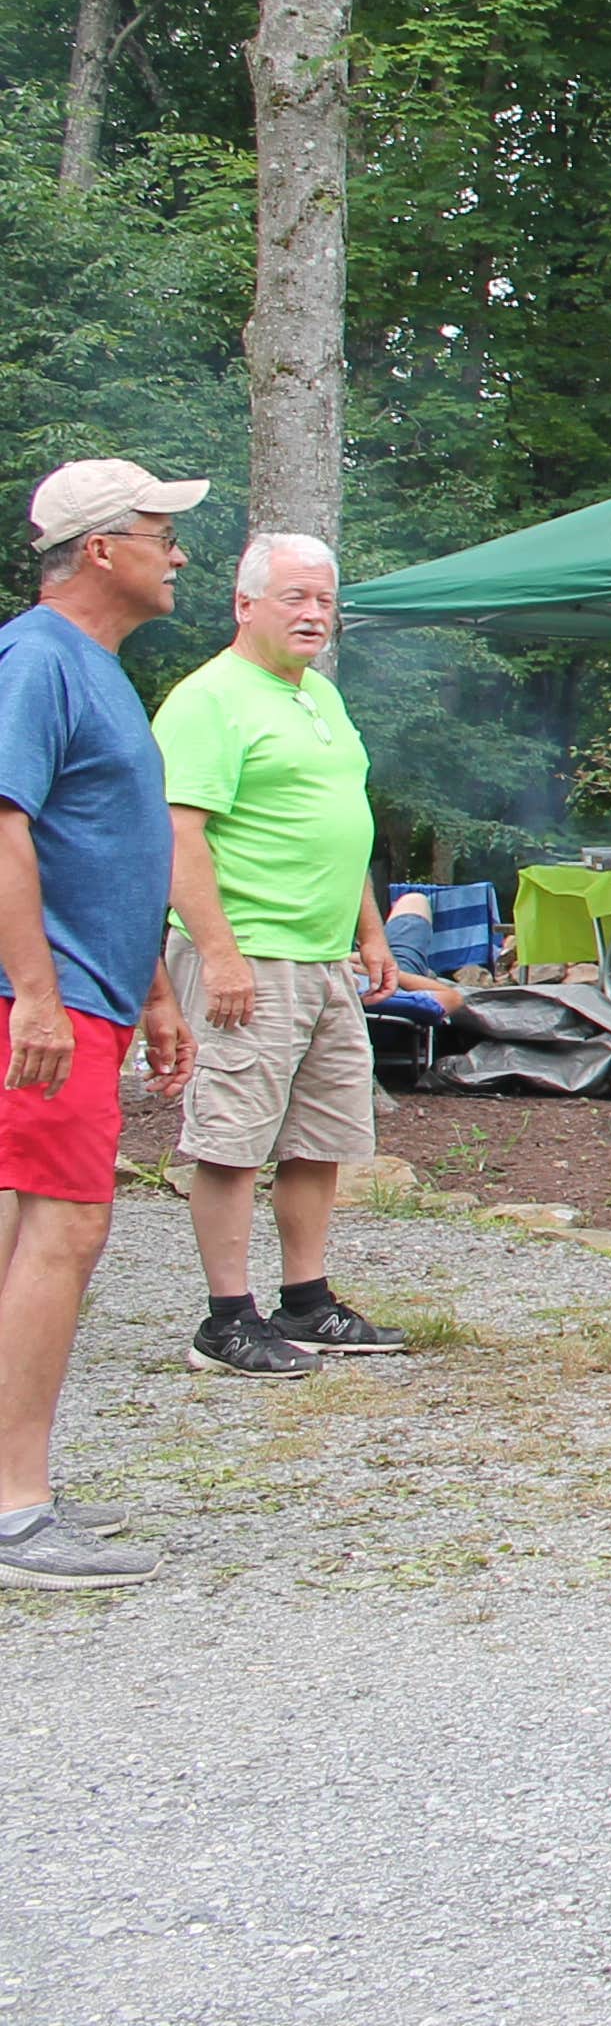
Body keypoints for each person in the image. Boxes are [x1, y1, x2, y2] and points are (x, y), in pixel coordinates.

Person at [0, 459, 205, 1589]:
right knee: (60, 1234)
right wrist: (35, 991)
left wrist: (154, 991)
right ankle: (17, 1515)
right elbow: (3, 828)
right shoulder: (37, 660)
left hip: (90, 993)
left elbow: (105, 851)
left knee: (36, 1234)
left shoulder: (98, 669)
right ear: (99, 550)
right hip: (45, 1002)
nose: (176, 553)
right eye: (159, 532)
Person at [156, 530, 405, 1374]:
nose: (313, 614)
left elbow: (342, 824)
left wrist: (369, 931)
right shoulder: (209, 699)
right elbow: (179, 835)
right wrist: (220, 956)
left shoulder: (319, 698)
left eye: (325, 600)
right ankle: (226, 1320)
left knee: (319, 1137)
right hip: (248, 954)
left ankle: (307, 1303)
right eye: (295, 597)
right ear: (245, 604)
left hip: (323, 956)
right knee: (230, 1138)